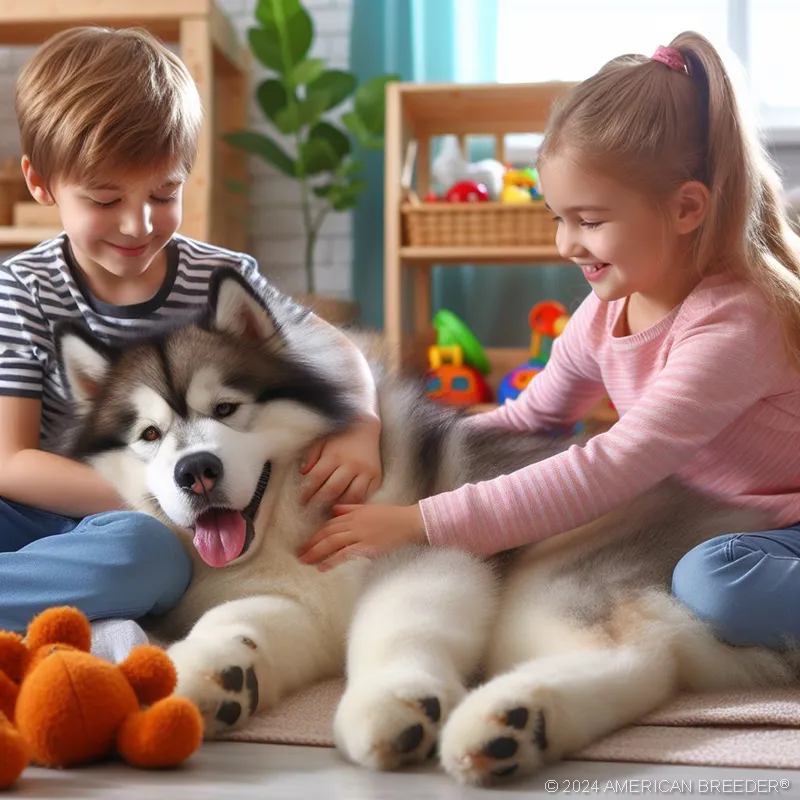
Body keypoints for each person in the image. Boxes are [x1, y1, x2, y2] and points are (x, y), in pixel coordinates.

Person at [299, 31, 800, 650]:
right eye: (558, 219)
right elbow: (533, 419)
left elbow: (611, 465)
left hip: (777, 527)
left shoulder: (732, 324)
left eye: (589, 221)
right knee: (630, 571)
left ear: (686, 208)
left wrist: (420, 522)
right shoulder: (602, 311)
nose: (566, 245)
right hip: (698, 523)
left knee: (714, 590)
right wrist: (397, 447)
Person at [0, 26, 382, 660]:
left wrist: (361, 420)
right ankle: (69, 618)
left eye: (164, 193)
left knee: (149, 559)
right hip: (43, 504)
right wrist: (151, 484)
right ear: (41, 185)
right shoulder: (22, 289)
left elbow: (331, 342)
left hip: (126, 529)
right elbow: (11, 461)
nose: (138, 223)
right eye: (104, 199)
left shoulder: (218, 276)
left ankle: (59, 615)